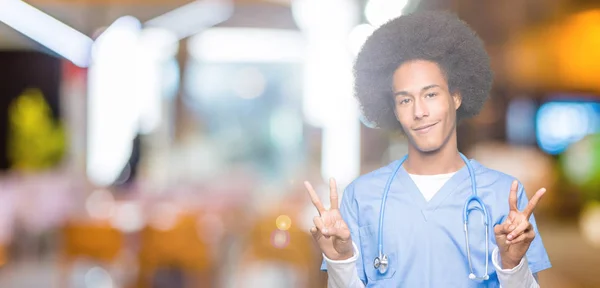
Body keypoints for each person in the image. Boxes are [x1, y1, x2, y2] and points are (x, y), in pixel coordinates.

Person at [303, 10, 551, 288]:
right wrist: (341, 260)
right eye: (405, 100)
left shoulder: (503, 195)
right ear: (394, 110)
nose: (419, 111)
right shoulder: (361, 198)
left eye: (430, 94)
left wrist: (512, 264)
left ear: (456, 96)